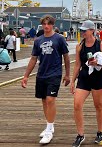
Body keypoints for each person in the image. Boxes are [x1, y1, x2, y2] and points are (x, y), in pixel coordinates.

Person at [21, 15, 70, 144]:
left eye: (49, 24)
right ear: (42, 25)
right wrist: (25, 76)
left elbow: (66, 57)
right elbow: (33, 58)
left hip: (55, 73)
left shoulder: (59, 39)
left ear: (53, 25)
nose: (46, 26)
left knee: (50, 100)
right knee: (44, 100)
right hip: (41, 74)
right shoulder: (38, 40)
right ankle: (50, 125)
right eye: (44, 24)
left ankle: (48, 131)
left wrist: (68, 74)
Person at [70, 20, 102, 147]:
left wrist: (99, 63)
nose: (82, 32)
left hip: (98, 77)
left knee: (98, 106)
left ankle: (100, 132)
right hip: (84, 77)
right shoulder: (80, 46)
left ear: (92, 30)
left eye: (84, 30)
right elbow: (77, 64)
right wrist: (72, 80)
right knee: (77, 104)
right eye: (81, 30)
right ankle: (80, 134)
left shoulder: (100, 45)